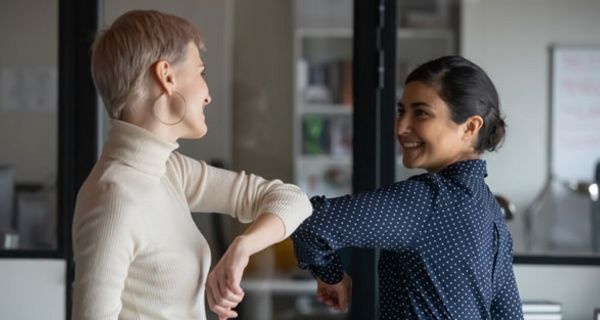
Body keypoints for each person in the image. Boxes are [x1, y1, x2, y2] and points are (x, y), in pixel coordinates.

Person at [72, 10, 312, 320]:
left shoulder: (170, 171)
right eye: (200, 72)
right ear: (167, 76)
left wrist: (243, 246)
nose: (207, 94)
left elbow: (293, 200)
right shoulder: (113, 196)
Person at [292, 55, 524, 319]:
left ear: (470, 127)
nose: (401, 127)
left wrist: (331, 275)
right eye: (401, 111)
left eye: (421, 113)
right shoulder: (491, 212)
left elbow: (309, 224)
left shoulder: (429, 199)